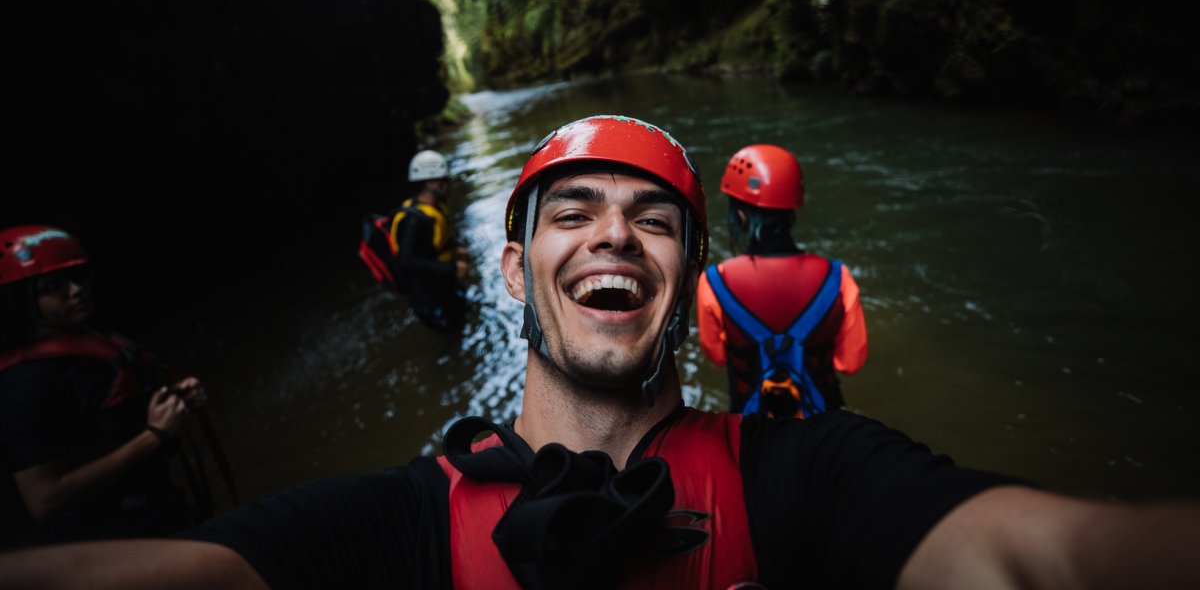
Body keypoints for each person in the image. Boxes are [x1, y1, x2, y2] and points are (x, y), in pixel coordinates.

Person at [0, 116, 1197, 588]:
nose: (614, 231)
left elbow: (1038, 553)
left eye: (654, 217)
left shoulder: (811, 476)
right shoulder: (393, 526)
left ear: (689, 281)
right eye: (571, 212)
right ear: (517, 267)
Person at [0, 225, 229, 548]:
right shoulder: (26, 384)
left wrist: (173, 401)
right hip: (110, 542)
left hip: (157, 514)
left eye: (79, 277)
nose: (77, 290)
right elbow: (44, 499)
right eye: (55, 286)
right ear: (21, 301)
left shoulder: (89, 340)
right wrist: (154, 436)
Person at [697, 143, 868, 419]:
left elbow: (717, 356)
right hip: (823, 424)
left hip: (752, 424)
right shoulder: (838, 277)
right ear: (793, 209)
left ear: (740, 214)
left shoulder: (715, 282)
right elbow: (851, 362)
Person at [360, 149, 470, 330]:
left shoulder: (435, 207)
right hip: (427, 295)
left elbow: (433, 243)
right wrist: (452, 269)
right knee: (450, 332)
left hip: (442, 284)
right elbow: (407, 261)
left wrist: (455, 248)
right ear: (431, 182)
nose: (449, 183)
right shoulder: (412, 219)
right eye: (444, 180)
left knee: (461, 315)